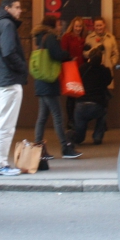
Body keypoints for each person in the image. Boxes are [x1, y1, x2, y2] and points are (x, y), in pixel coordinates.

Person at [0, 0, 27, 176]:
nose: (20, 10)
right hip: (9, 80)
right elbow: (9, 51)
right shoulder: (7, 25)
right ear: (7, 8)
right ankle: (0, 163)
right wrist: (22, 67)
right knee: (6, 125)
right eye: (17, 7)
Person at [31, 16, 81, 160]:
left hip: (41, 81)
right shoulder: (51, 37)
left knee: (42, 117)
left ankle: (38, 149)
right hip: (49, 82)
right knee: (58, 115)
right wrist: (68, 55)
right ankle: (65, 147)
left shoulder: (40, 38)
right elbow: (57, 54)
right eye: (58, 24)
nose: (60, 27)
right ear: (52, 25)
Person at [67, 45, 112, 146]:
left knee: (80, 137)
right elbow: (108, 82)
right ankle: (97, 136)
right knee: (103, 111)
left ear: (89, 58)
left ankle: (75, 137)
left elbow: (77, 81)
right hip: (97, 105)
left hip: (80, 105)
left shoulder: (82, 68)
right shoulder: (105, 70)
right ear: (101, 59)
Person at [61, 17, 87, 128]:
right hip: (71, 68)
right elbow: (63, 52)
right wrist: (70, 58)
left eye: (80, 26)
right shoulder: (67, 37)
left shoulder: (84, 38)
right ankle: (70, 120)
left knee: (80, 96)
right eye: (76, 26)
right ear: (72, 26)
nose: (78, 28)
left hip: (82, 69)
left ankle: (78, 120)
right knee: (71, 96)